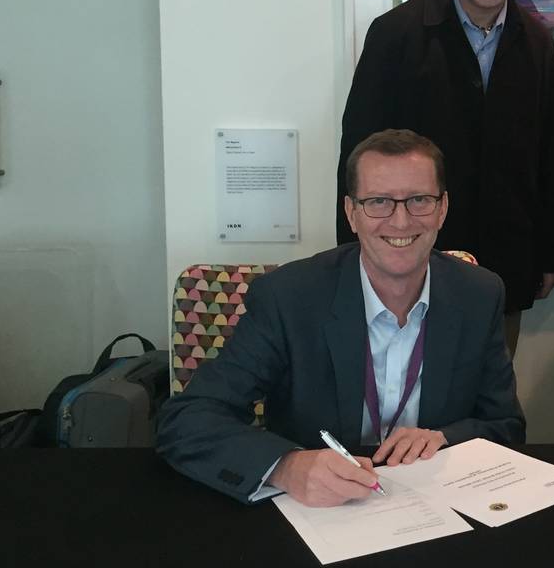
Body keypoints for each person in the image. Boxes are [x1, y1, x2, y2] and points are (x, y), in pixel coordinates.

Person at [158, 129, 524, 506]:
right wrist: (286, 466)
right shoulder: (288, 297)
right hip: (320, 511)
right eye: (379, 202)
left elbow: (506, 425)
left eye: (419, 200)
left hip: (434, 506)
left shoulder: (478, 294)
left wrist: (447, 438)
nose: (400, 222)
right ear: (351, 213)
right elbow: (188, 419)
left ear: (443, 208)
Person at [338, 0, 554, 358]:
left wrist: (551, 252)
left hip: (505, 258)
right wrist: (351, 255)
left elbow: (549, 153)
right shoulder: (395, 36)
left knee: (486, 400)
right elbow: (357, 156)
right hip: (408, 254)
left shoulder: (538, 42)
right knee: (406, 398)